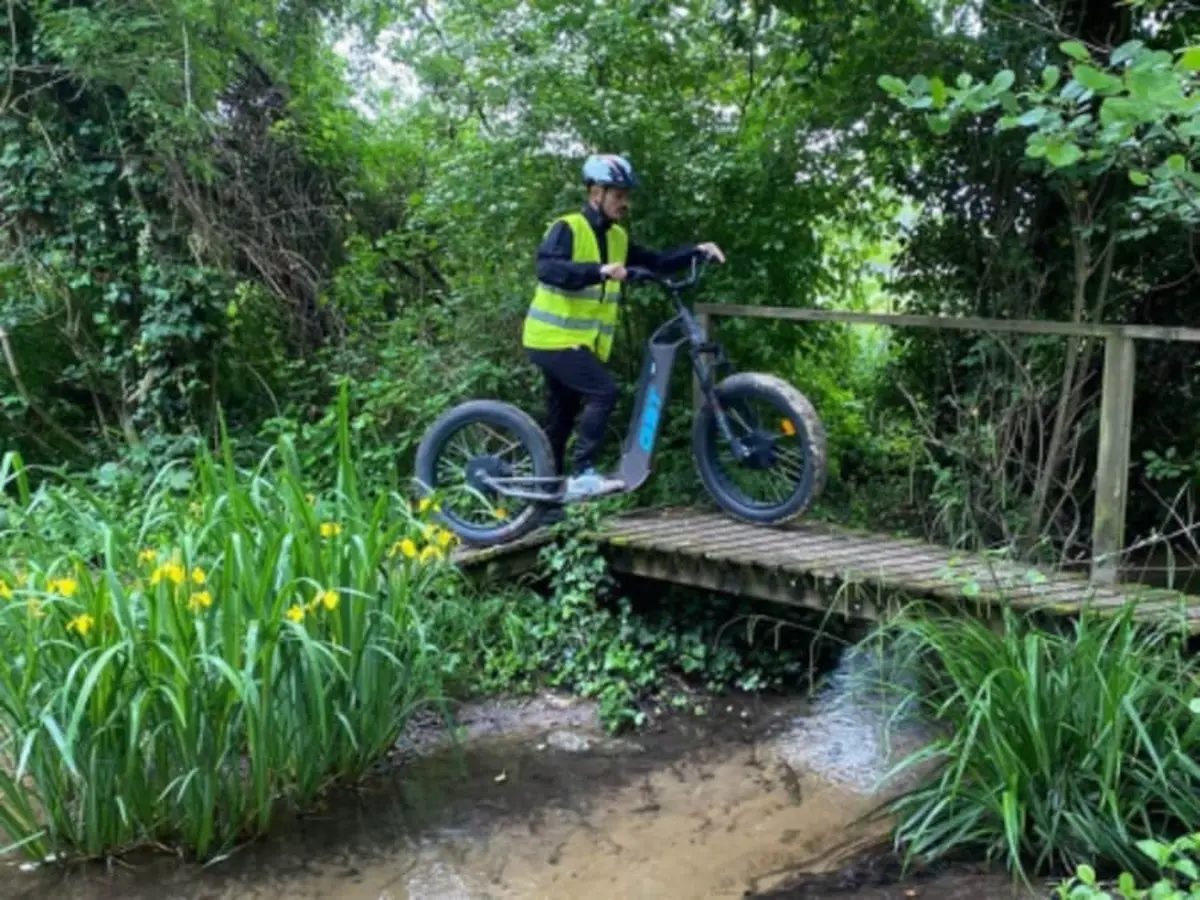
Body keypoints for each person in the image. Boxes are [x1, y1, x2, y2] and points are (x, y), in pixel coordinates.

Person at [521, 153, 725, 501]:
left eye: (626, 195)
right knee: (604, 392)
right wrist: (598, 271)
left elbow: (656, 261)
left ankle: (544, 497)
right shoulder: (567, 227)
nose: (625, 202)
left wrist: (696, 251)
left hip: (577, 342)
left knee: (561, 419)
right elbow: (548, 269)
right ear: (595, 193)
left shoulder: (617, 238)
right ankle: (584, 472)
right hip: (551, 338)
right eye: (618, 195)